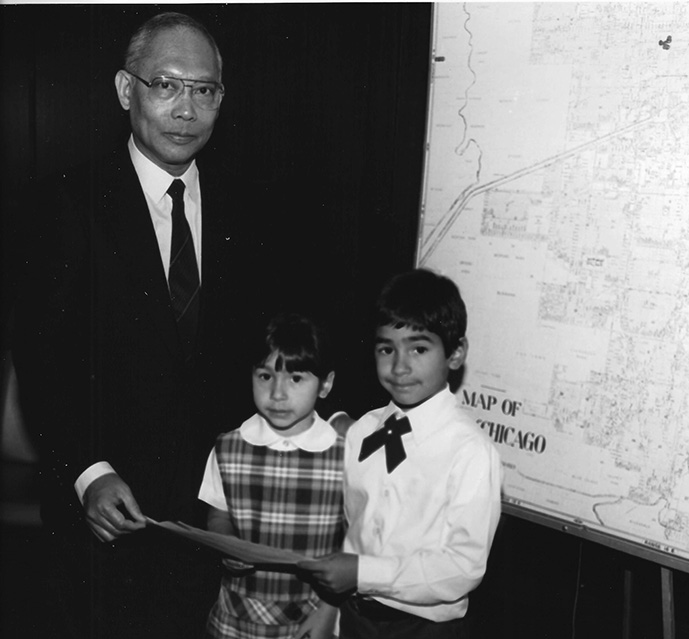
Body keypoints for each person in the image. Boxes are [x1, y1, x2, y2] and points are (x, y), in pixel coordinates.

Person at [10, 11, 327, 639]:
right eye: (167, 85)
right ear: (128, 91)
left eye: (203, 90)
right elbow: (42, 363)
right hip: (103, 523)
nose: (187, 109)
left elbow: (277, 354)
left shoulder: (255, 204)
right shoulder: (66, 202)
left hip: (219, 523)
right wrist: (88, 473)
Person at [298, 268, 503, 639]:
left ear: (456, 354)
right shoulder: (364, 432)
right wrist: (330, 606)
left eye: (419, 348)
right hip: (356, 618)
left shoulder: (470, 452)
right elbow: (351, 534)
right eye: (386, 349)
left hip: (424, 629)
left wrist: (363, 573)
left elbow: (463, 568)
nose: (399, 366)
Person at [198, 312, 345, 639]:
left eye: (295, 379)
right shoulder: (229, 447)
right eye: (265, 376)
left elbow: (356, 539)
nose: (277, 394)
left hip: (313, 616)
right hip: (237, 616)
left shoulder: (343, 455)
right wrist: (228, 544)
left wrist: (331, 607)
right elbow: (218, 513)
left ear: (326, 384)